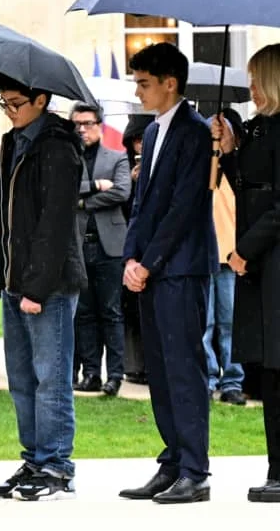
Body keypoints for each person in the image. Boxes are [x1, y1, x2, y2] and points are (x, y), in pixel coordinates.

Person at [213, 43, 280, 502]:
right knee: (270, 371)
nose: (251, 87)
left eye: (258, 79)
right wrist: (231, 148)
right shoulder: (260, 128)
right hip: (260, 257)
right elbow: (246, 186)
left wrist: (243, 251)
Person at [0, 74, 85, 501]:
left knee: (50, 377)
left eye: (16, 103)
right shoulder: (13, 143)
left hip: (47, 283)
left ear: (41, 98)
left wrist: (36, 287)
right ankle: (35, 457)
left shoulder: (57, 146)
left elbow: (54, 225)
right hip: (16, 278)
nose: (10, 111)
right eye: (4, 104)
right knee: (21, 378)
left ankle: (57, 465)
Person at [119, 42, 217, 504]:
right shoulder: (154, 133)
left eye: (143, 83)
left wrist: (149, 261)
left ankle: (195, 470)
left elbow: (183, 208)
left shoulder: (196, 132)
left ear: (170, 84)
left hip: (181, 267)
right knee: (158, 369)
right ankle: (173, 461)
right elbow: (142, 205)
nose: (137, 91)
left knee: (183, 369)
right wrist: (130, 259)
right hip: (151, 268)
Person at [71, 102, 131, 396]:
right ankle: (91, 372)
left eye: (87, 123)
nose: (82, 129)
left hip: (110, 246)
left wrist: (82, 201)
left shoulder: (117, 157)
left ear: (100, 124)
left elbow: (121, 191)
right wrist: (95, 186)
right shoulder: (69, 158)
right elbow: (65, 192)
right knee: (84, 313)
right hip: (80, 244)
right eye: (77, 124)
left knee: (111, 311)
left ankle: (115, 375)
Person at [203, 109, 247, 406]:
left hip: (231, 254)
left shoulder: (236, 167)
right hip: (204, 254)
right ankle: (206, 377)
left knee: (230, 322)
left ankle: (232, 381)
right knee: (204, 324)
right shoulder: (199, 166)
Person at [120, 114, 153, 385]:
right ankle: (134, 364)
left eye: (144, 139)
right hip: (131, 245)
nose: (139, 145)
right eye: (136, 140)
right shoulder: (124, 165)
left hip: (155, 246)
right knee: (131, 309)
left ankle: (152, 363)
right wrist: (132, 184)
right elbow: (124, 208)